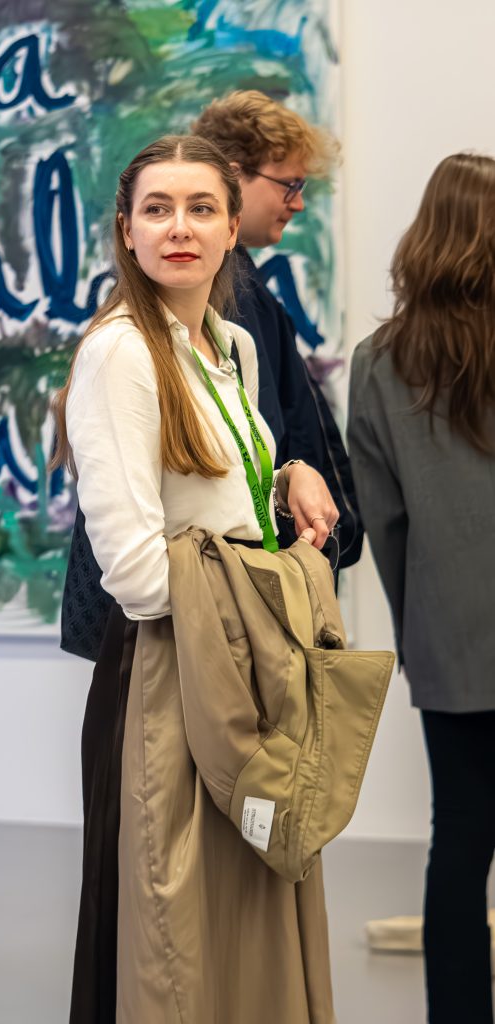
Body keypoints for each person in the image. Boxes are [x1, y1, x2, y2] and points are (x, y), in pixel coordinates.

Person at [52, 134, 339, 1023]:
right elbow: (135, 573)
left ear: (228, 233)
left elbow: (222, 491)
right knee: (173, 930)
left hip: (238, 661)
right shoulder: (120, 354)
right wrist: (251, 578)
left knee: (248, 913)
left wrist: (286, 470)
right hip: (170, 673)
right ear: (127, 233)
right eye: (157, 209)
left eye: (201, 208)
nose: (180, 227)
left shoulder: (229, 347)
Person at [347, 152, 495, 1024]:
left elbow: (383, 522)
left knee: (459, 842)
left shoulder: (377, 361)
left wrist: (417, 633)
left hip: (447, 636)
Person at [191, 90, 363, 571]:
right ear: (231, 175)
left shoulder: (241, 282)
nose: (300, 203)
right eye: (290, 185)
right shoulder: (222, 293)